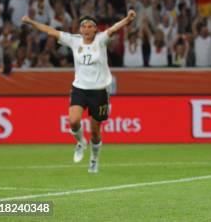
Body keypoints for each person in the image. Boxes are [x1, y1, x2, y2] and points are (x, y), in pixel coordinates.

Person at [21, 10, 137, 173]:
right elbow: (50, 31)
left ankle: (94, 159)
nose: (87, 29)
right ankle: (81, 142)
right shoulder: (74, 41)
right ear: (80, 29)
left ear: (95, 29)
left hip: (99, 91)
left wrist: (127, 19)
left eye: (90, 26)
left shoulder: (101, 40)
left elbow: (114, 28)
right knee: (74, 121)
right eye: (84, 26)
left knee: (96, 131)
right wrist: (31, 22)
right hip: (80, 89)